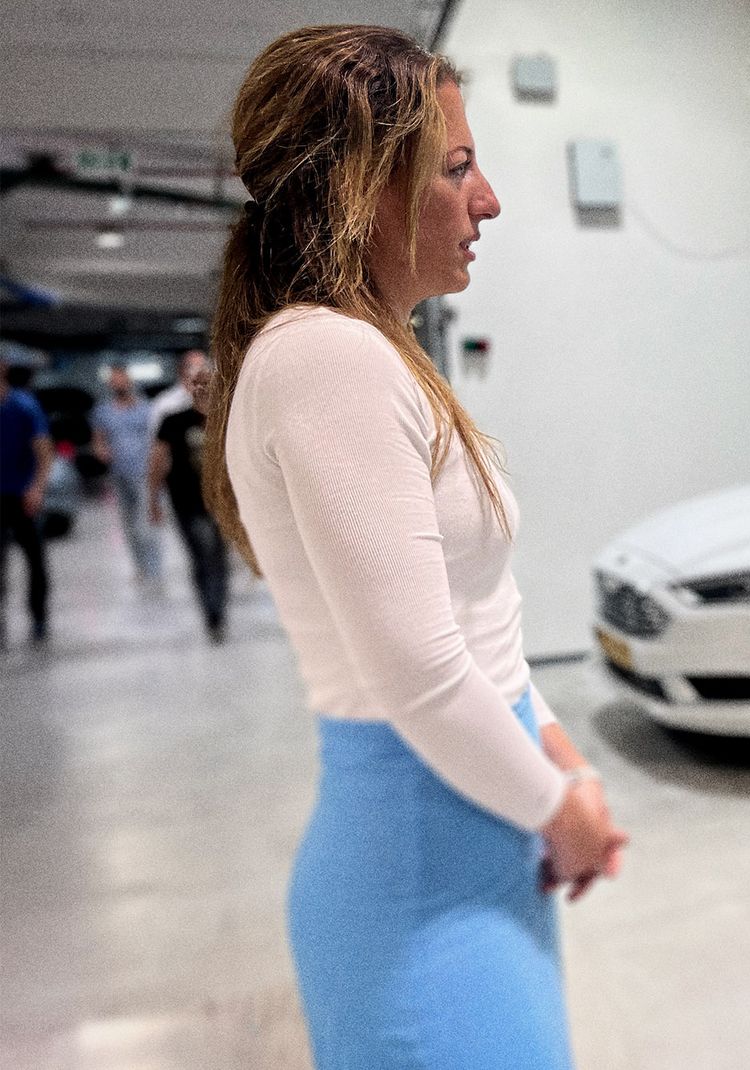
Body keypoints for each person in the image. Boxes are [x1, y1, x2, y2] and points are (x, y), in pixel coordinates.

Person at [203, 25, 628, 1069]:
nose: (487, 200)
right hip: (423, 870)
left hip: (469, 830)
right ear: (362, 188)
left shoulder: (364, 352)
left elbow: (480, 627)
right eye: (457, 167)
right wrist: (556, 804)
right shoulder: (326, 361)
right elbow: (421, 672)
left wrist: (562, 759)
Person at [148, 355, 229, 643]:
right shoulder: (172, 419)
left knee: (218, 554)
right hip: (186, 500)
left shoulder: (223, 418)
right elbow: (158, 459)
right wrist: (153, 498)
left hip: (220, 499)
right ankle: (211, 609)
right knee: (202, 553)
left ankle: (217, 609)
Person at [91, 364, 163, 584]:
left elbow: (157, 441)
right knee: (129, 524)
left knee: (145, 523)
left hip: (144, 472)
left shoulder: (146, 408)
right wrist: (101, 450)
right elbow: (98, 438)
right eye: (114, 380)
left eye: (121, 379)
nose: (118, 384)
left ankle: (154, 568)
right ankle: (140, 566)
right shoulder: (103, 411)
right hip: (119, 473)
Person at [0, 356, 54, 646]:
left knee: (35, 560)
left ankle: (39, 617)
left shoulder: (23, 406)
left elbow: (44, 451)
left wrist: (37, 488)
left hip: (22, 495)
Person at [148, 349, 209, 434]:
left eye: (204, 366)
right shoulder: (164, 402)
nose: (201, 371)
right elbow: (155, 436)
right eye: (195, 367)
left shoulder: (214, 399)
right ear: (182, 370)